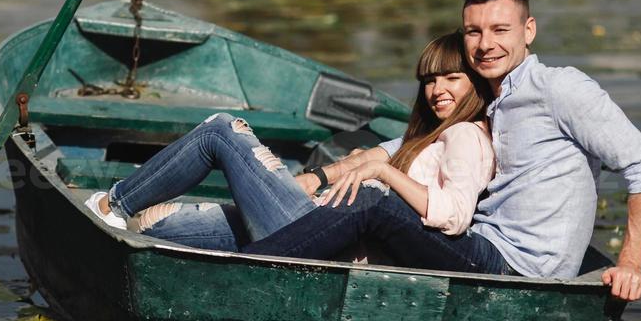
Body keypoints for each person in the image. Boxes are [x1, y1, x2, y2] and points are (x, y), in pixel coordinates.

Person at [244, 0, 641, 302]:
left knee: (373, 200)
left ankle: (246, 273)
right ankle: (254, 242)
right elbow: (409, 144)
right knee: (363, 194)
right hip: (475, 243)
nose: (485, 44)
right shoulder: (492, 95)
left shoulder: (560, 89)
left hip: (516, 270)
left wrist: (631, 263)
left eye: (500, 30)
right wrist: (323, 176)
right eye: (474, 32)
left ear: (529, 30)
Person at [84, 30, 495, 252]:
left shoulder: (465, 135)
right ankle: (118, 216)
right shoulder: (429, 135)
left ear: (474, 84)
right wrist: (336, 172)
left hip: (316, 230)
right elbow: (377, 158)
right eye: (429, 80)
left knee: (221, 131)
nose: (437, 89)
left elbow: (455, 214)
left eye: (451, 78)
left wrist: (383, 171)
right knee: (160, 226)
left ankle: (111, 203)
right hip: (315, 218)